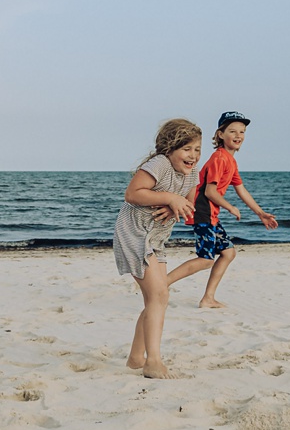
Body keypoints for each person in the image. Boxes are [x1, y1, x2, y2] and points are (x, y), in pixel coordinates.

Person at [113, 118, 202, 379]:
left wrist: (174, 208)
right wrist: (168, 197)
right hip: (134, 234)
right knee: (159, 296)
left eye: (197, 149)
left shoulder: (192, 173)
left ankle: (135, 357)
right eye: (187, 149)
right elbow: (132, 193)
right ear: (169, 148)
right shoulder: (159, 164)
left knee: (157, 297)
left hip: (156, 238)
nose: (193, 155)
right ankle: (152, 361)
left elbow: (188, 206)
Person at [165, 111, 278, 307]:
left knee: (228, 252)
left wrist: (260, 213)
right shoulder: (219, 158)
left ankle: (208, 298)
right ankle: (160, 284)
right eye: (232, 131)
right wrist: (230, 207)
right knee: (206, 260)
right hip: (202, 211)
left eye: (242, 132)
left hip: (210, 213)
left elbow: (241, 189)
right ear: (220, 134)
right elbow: (210, 192)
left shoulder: (230, 161)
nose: (238, 136)